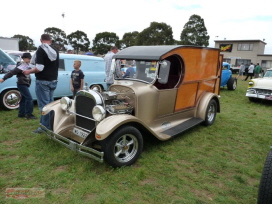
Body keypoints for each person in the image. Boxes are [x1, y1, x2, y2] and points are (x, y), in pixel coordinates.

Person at [23, 34, 59, 133]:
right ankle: (52, 126)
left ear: (40, 40)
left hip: (43, 81)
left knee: (44, 106)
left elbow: (39, 68)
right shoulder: (54, 50)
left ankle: (44, 128)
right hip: (53, 80)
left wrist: (28, 71)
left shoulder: (41, 49)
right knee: (51, 105)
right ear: (50, 40)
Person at [0, 53, 36, 119]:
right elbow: (12, 72)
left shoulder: (27, 65)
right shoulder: (21, 66)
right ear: (24, 58)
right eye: (29, 58)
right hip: (22, 84)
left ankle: (21, 114)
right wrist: (4, 78)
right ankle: (29, 114)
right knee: (29, 99)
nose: (30, 59)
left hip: (24, 84)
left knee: (24, 99)